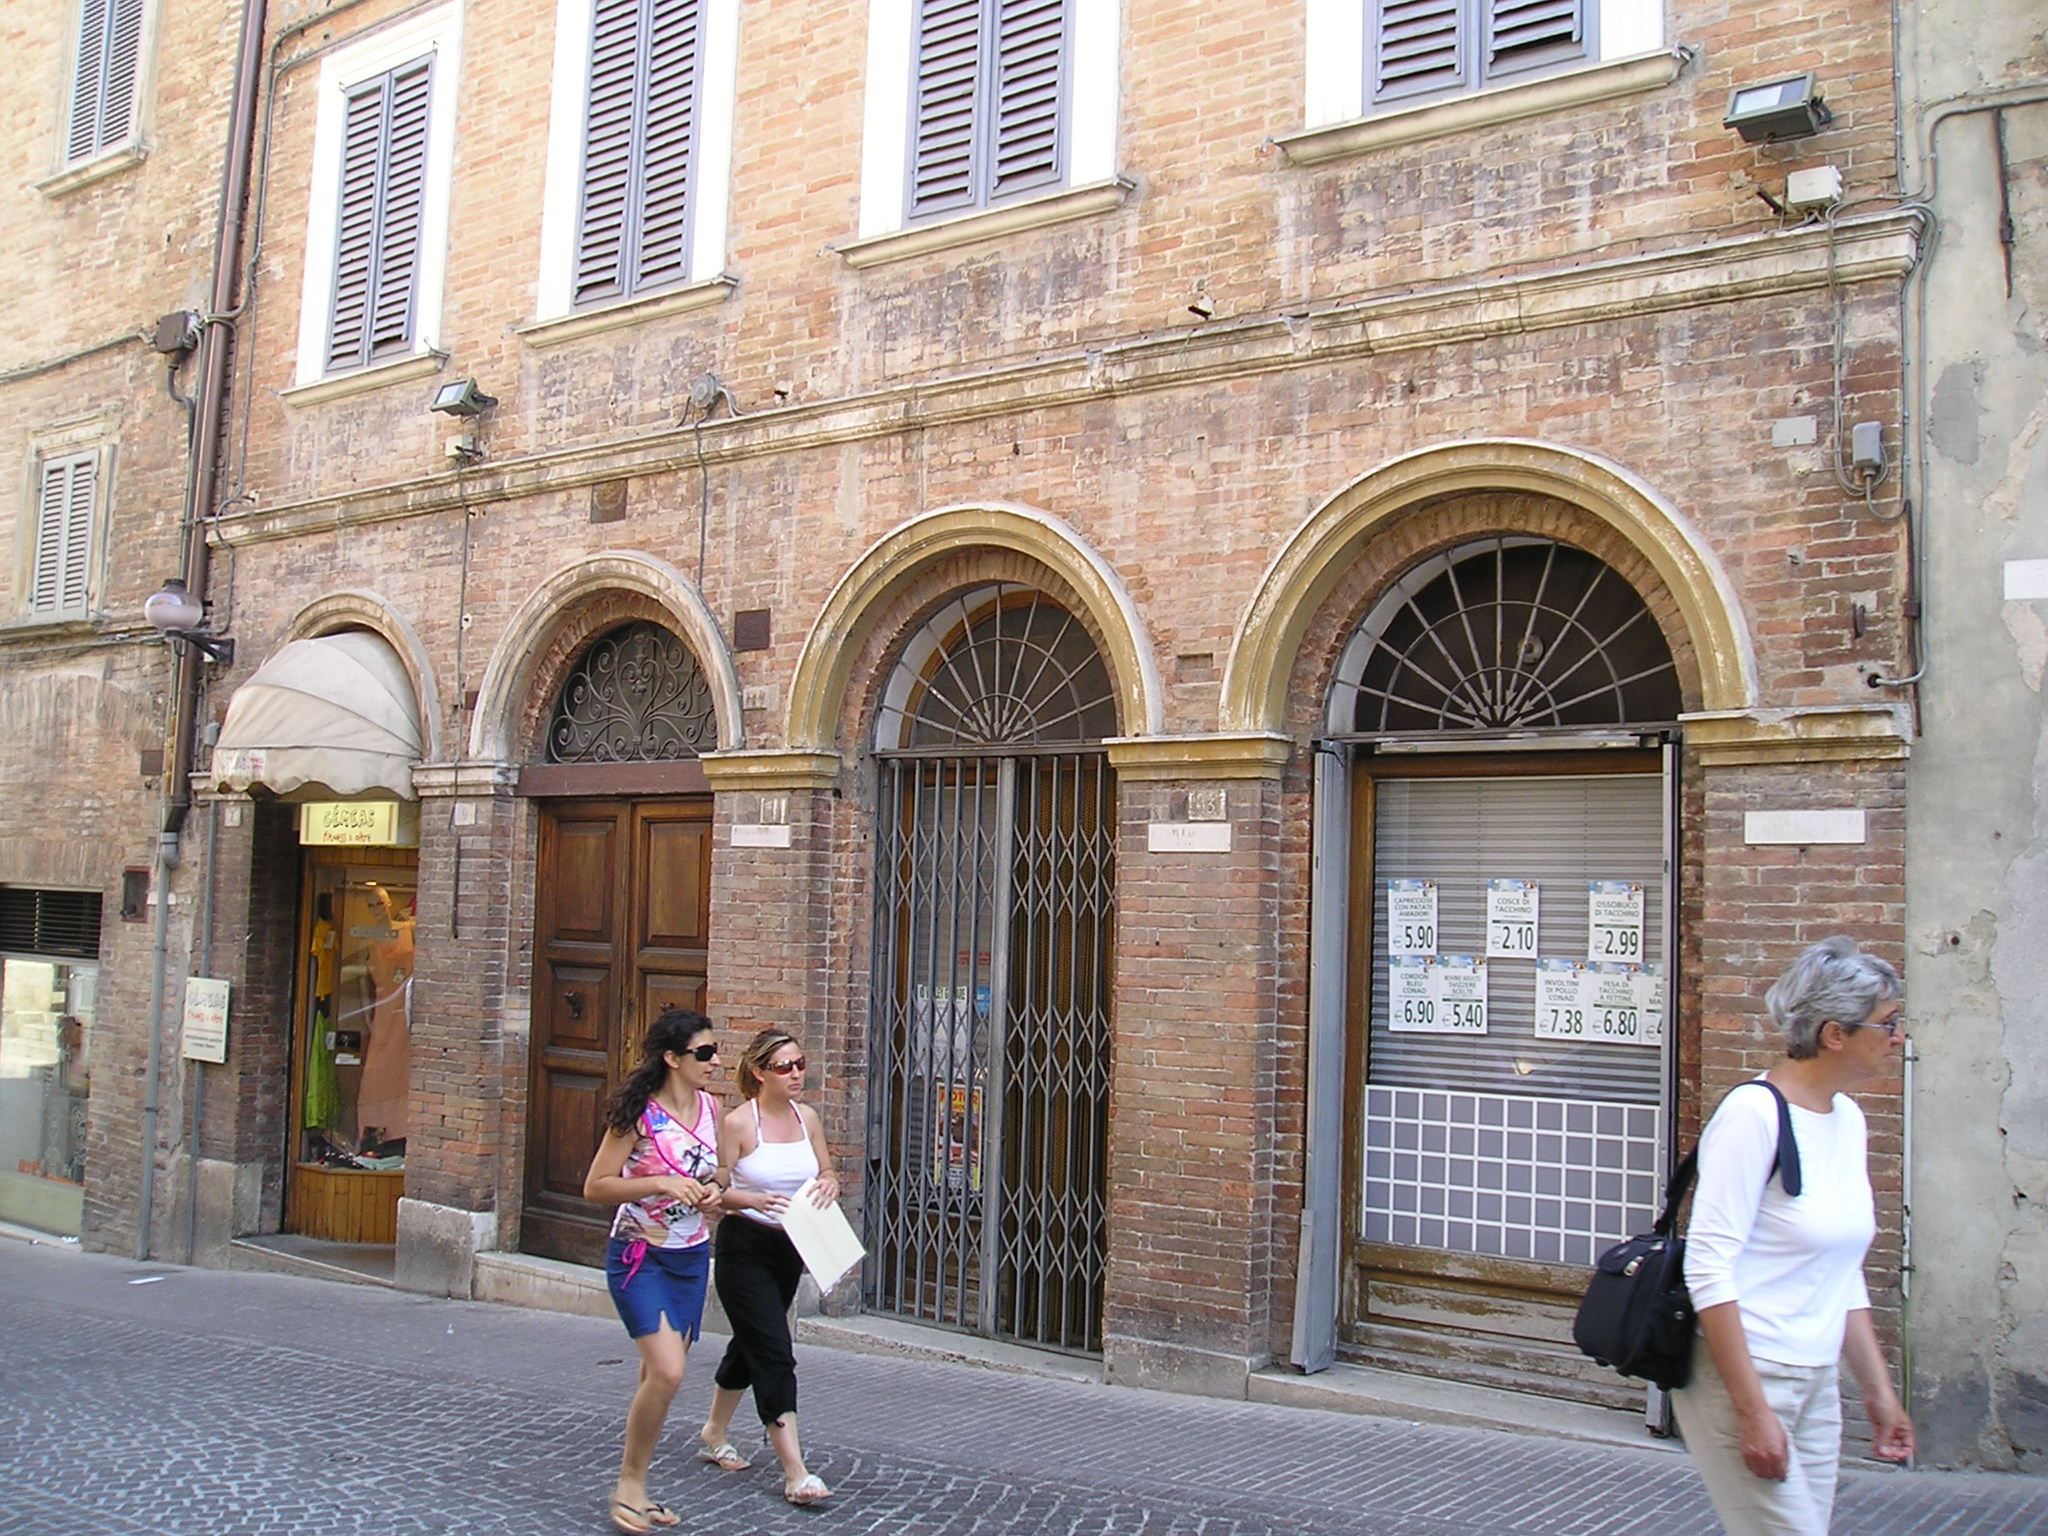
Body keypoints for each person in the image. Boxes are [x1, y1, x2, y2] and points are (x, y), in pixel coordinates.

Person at [1673, 936, 1916, 1535]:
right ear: (1835, 1034)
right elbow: (1707, 1266)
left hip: (1815, 1378)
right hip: (1746, 1373)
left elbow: (1840, 1273)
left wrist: (1878, 1393)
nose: (1898, 1038)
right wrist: (1751, 1410)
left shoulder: (1846, 1118)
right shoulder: (1753, 1115)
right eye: (1888, 1023)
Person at [583, 1007, 726, 1535]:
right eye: (704, 1053)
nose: (714, 1061)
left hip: (691, 1257)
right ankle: (629, 1484)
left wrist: (714, 1192)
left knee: (656, 1377)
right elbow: (596, 1186)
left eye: (714, 1051)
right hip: (639, 1254)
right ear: (672, 1058)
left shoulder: (712, 1108)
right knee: (668, 1371)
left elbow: (721, 1171)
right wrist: (660, 1183)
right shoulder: (640, 1114)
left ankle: (638, 1485)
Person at [695, 1028, 839, 1506]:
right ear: (759, 1073)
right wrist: (750, 1199)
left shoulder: (807, 1117)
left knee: (751, 1341)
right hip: (745, 1246)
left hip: (791, 1246)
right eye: (784, 1067)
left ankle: (714, 1431)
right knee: (775, 1350)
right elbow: (715, 1190)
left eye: (800, 1064)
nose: (796, 1074)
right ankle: (796, 1471)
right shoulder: (739, 1123)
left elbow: (825, 1170)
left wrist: (830, 1183)